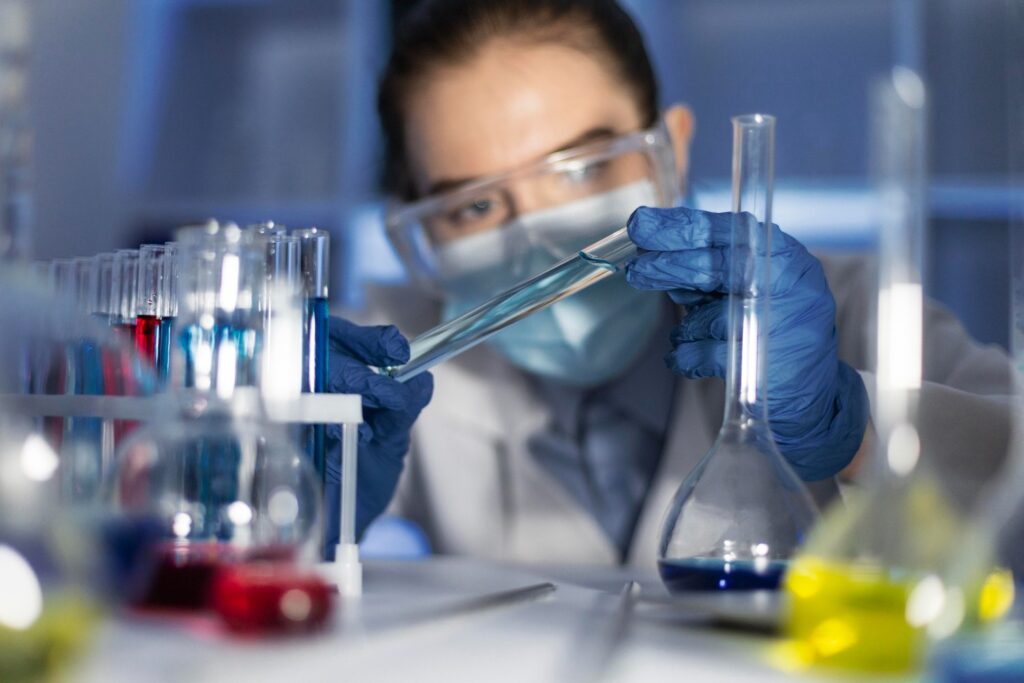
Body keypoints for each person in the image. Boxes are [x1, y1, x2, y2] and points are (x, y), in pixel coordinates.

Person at [323, 0, 1015, 565]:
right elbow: (248, 538)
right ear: (413, 234)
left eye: (580, 169)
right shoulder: (392, 363)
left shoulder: (844, 308)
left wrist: (855, 427)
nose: (539, 239)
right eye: (473, 205)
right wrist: (297, 496)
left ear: (671, 150)